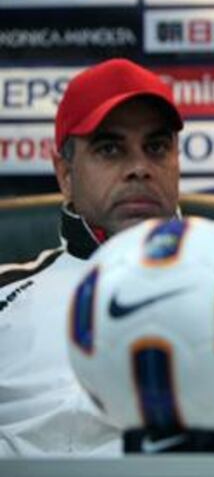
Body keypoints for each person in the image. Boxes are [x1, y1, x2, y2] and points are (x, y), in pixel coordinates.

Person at [0, 59, 183, 456]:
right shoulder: (6, 293)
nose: (139, 168)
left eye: (156, 147)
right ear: (65, 175)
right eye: (110, 149)